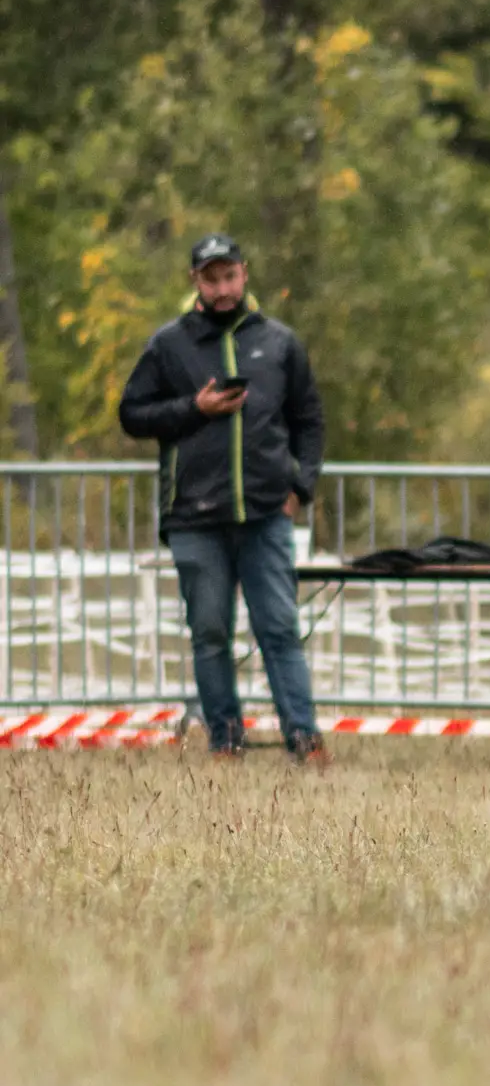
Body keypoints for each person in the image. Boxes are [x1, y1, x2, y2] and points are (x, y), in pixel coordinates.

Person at [118, 234, 327, 761]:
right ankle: (224, 739)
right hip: (194, 518)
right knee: (210, 633)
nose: (223, 287)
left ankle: (303, 737)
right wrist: (195, 407)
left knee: (279, 629)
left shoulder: (280, 343)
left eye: (230, 275)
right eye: (211, 279)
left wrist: (300, 487)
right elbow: (132, 414)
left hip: (265, 515)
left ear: (245, 273)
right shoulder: (168, 344)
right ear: (196, 282)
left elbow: (309, 421)